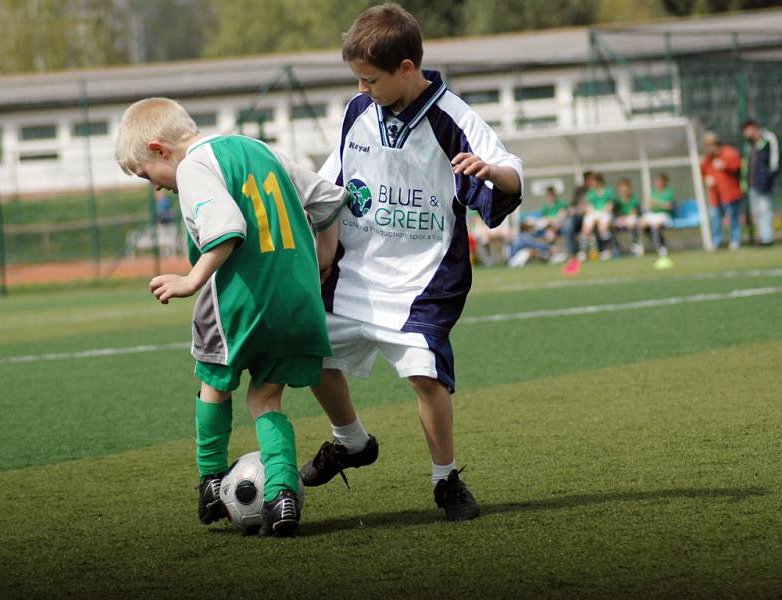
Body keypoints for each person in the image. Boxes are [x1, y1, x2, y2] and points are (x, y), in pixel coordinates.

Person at [300, 3, 523, 522]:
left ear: (406, 69)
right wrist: (324, 248)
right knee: (308, 350)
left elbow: (511, 172)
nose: (361, 90)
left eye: (369, 80)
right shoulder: (358, 112)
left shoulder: (452, 117)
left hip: (423, 279)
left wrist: (490, 170)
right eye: (356, 79)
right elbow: (331, 187)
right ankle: (351, 441)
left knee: (426, 378)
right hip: (356, 272)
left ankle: (446, 479)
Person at [115, 97, 347, 537]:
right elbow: (330, 200)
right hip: (297, 299)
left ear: (160, 148)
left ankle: (210, 479)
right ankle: (281, 496)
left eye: (148, 175)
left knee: (214, 384)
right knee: (266, 399)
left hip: (240, 300)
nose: (157, 187)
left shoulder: (192, 165)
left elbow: (225, 228)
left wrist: (190, 279)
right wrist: (325, 255)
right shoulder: (258, 148)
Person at [701, 131, 743, 249]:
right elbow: (703, 171)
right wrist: (706, 179)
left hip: (730, 193)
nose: (708, 149)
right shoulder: (708, 159)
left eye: (709, 145)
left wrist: (725, 166)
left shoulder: (729, 153)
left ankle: (735, 241)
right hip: (715, 195)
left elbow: (738, 169)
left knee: (733, 218)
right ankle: (716, 242)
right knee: (715, 218)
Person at [742, 119, 779, 246]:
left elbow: (774, 161)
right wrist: (744, 181)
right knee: (757, 213)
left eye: (747, 129)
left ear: (754, 128)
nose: (746, 133)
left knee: (765, 210)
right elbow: (746, 165)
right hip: (752, 184)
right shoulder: (749, 145)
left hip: (764, 183)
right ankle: (763, 237)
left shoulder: (768, 139)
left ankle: (768, 239)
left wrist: (769, 177)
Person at [579, 172, 614, 260]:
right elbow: (588, 206)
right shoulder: (591, 193)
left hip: (605, 213)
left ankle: (606, 250)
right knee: (586, 228)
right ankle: (582, 252)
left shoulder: (608, 190)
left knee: (602, 227)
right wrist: (595, 214)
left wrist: (600, 213)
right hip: (594, 213)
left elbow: (610, 205)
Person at [638, 173, 674, 256]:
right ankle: (639, 247)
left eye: (660, 182)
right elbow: (648, 204)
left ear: (664, 183)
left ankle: (660, 247)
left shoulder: (668, 192)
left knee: (656, 225)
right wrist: (661, 204)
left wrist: (656, 203)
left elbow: (669, 206)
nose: (658, 183)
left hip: (664, 215)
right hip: (653, 214)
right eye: (657, 181)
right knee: (641, 223)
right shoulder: (653, 192)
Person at [613, 179, 641, 256]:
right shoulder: (617, 201)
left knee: (632, 222)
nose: (624, 191)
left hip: (630, 219)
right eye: (622, 189)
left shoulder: (633, 200)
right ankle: (616, 247)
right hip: (621, 220)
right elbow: (616, 213)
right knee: (610, 225)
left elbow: (633, 212)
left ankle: (634, 246)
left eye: (625, 189)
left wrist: (624, 218)